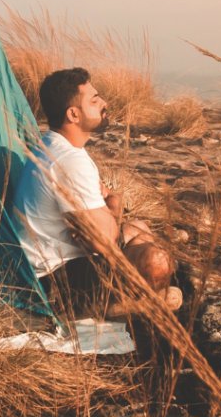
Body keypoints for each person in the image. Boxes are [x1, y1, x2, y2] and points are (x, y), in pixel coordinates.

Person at [13, 67, 181, 319]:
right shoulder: (69, 160)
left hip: (60, 264)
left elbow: (101, 234)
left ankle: (125, 300)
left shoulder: (59, 146)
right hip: (55, 283)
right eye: (94, 100)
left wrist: (105, 216)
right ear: (73, 114)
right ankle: (112, 307)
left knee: (139, 228)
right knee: (157, 262)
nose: (104, 103)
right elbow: (103, 241)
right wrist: (112, 203)